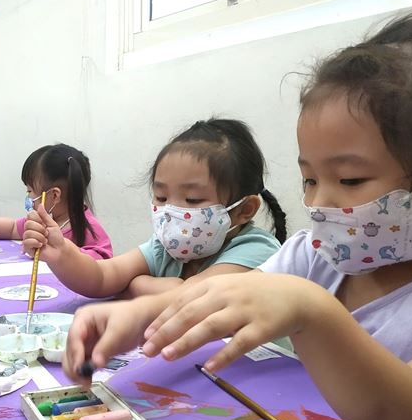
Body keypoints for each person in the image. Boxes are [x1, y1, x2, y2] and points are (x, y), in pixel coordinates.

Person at [64, 13, 412, 420]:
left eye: (350, 180)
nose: (318, 202)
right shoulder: (315, 256)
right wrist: (139, 317)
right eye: (310, 179)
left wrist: (313, 311)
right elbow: (217, 297)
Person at [23, 119, 287, 298]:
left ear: (244, 210)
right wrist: (62, 253)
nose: (171, 211)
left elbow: (193, 299)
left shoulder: (257, 251)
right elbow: (103, 277)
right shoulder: (164, 249)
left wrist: (136, 285)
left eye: (192, 200)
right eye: (161, 197)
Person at [0, 144, 114, 260]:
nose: (28, 197)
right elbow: (12, 228)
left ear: (54, 195)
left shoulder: (90, 229)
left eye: (30, 191)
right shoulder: (42, 222)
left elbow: (103, 266)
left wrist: (60, 251)